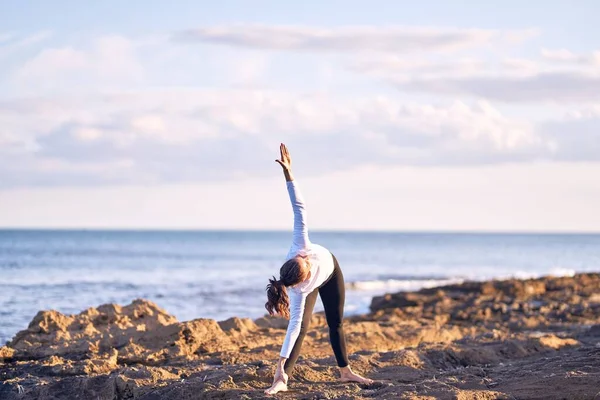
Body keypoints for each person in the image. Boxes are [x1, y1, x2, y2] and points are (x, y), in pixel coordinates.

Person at [264, 143, 373, 395]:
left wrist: (288, 174)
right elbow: (291, 329)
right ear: (302, 279)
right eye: (308, 265)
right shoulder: (300, 291)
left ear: (298, 256)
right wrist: (279, 366)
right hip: (315, 284)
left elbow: (298, 207)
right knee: (300, 327)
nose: (308, 259)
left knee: (335, 323)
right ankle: (283, 378)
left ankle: (345, 372)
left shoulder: (299, 244)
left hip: (332, 271)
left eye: (306, 260)